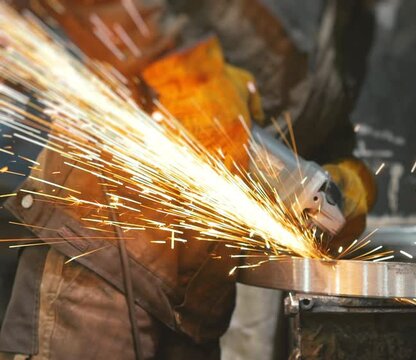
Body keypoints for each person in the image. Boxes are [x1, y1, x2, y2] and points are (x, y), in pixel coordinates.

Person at [0, 0, 376, 359]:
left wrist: (344, 180)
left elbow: (315, 123)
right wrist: (179, 70)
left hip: (199, 298)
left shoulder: (351, 22)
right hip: (103, 255)